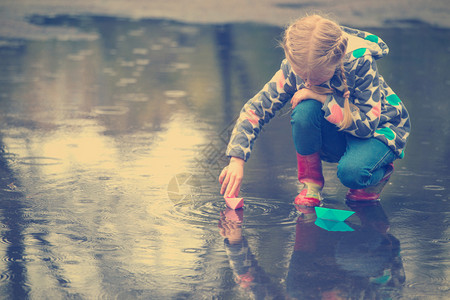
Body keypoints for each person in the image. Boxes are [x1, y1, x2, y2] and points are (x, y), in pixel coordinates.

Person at [219, 14, 410, 206]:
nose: (307, 82)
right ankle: (311, 185)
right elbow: (256, 109)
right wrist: (236, 160)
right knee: (305, 109)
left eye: (316, 77)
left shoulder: (360, 63)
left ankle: (377, 171)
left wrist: (322, 97)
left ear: (336, 60)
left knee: (351, 174)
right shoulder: (296, 67)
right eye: (303, 76)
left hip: (378, 132)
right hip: (343, 127)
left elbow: (367, 127)